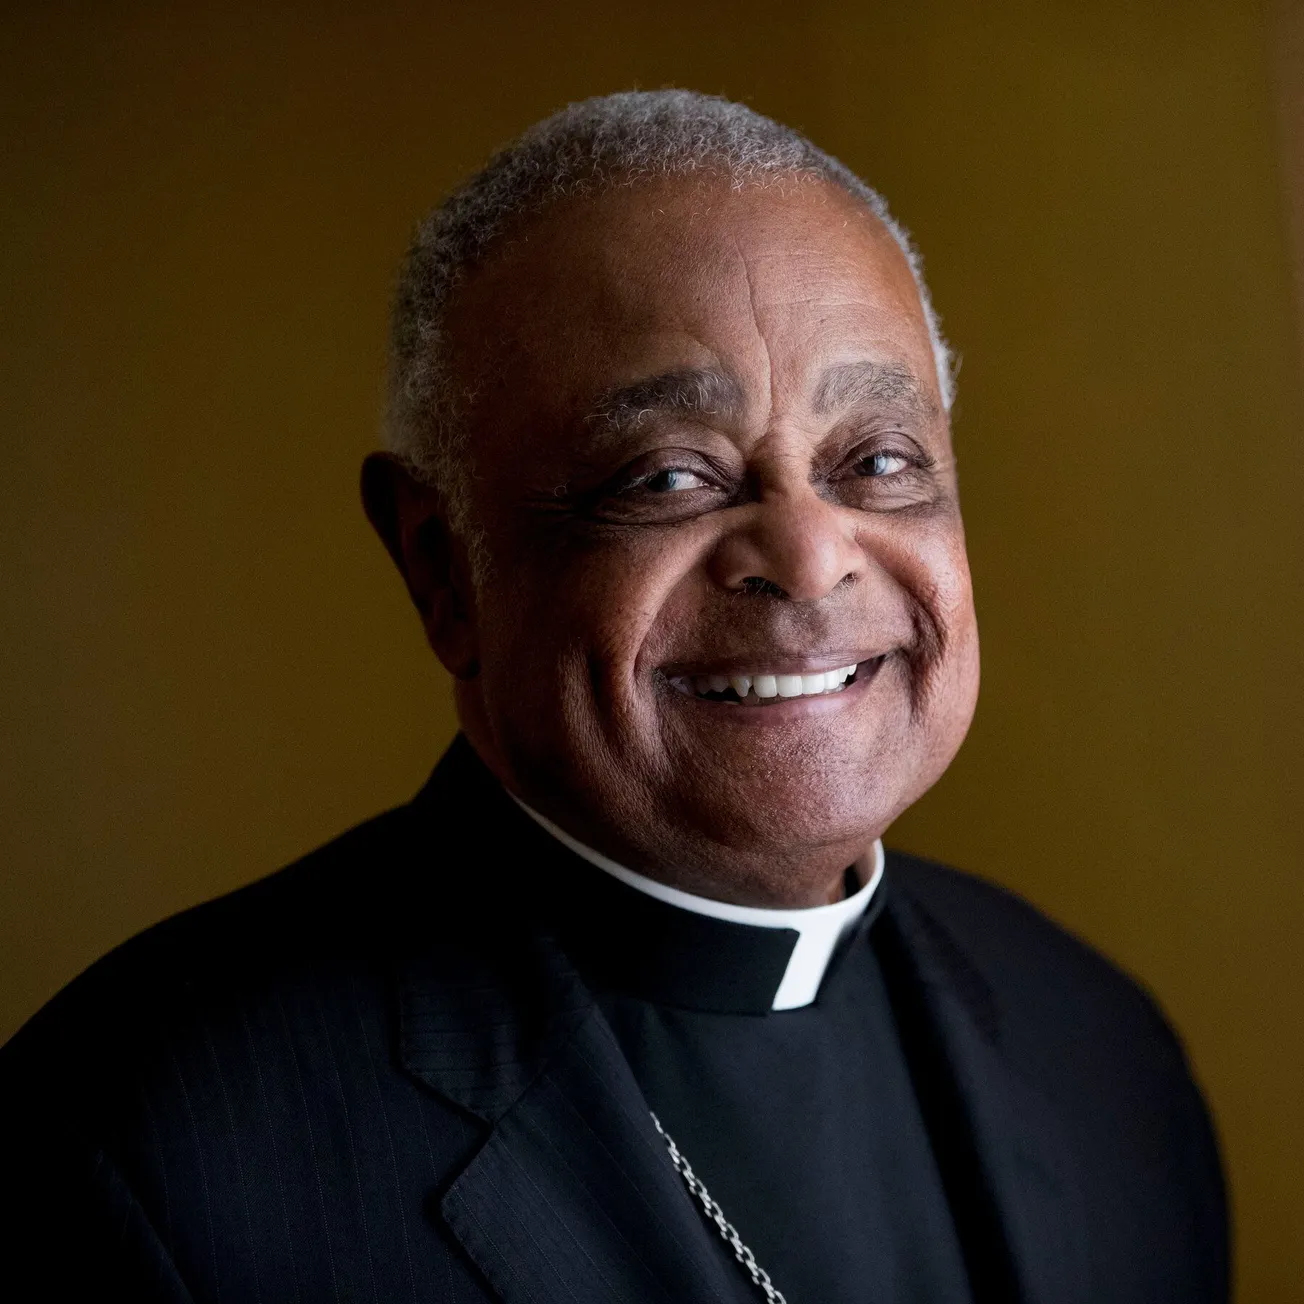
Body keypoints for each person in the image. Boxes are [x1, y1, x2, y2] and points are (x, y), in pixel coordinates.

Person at [0, 90, 1227, 1303]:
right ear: (443, 568)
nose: (809, 554)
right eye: (669, 474)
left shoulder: (1102, 1051)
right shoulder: (140, 1152)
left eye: (879, 461)